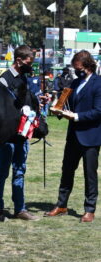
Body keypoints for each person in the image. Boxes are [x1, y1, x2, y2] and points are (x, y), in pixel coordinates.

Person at [45, 50, 101, 223]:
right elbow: (67, 104)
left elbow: (99, 111)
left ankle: (89, 209)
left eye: (77, 67)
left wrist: (76, 116)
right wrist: (57, 109)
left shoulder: (99, 83)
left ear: (86, 65)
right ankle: (61, 205)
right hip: (73, 136)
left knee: (89, 174)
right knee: (66, 171)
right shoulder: (75, 82)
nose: (75, 70)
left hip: (91, 137)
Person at [0, 45, 39, 221]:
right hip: (7, 136)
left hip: (22, 134)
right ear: (19, 61)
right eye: (28, 62)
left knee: (19, 171)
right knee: (2, 172)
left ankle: (20, 209)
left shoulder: (24, 78)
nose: (30, 65)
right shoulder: (3, 80)